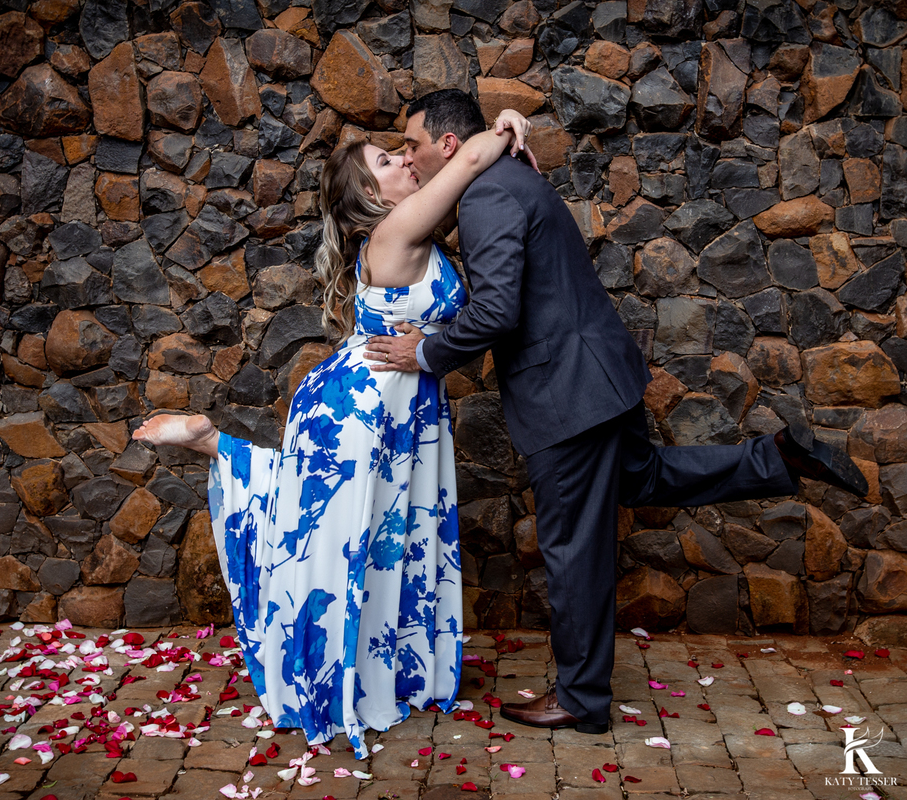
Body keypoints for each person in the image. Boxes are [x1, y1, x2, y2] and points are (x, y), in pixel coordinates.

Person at [366, 88, 870, 735]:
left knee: (573, 547)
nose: (407, 157)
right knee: (643, 478)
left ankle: (581, 697)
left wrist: (426, 351)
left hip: (568, 397)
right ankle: (776, 457)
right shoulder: (507, 178)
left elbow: (497, 313)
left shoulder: (486, 198)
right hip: (601, 378)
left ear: (447, 144)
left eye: (410, 145)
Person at [132, 110, 534, 757]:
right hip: (358, 411)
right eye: (386, 162)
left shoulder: (420, 228)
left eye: (400, 155)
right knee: (335, 546)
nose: (405, 161)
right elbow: (465, 163)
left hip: (395, 412)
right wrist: (509, 127)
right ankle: (213, 443)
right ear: (373, 199)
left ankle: (385, 672)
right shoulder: (394, 232)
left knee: (382, 541)